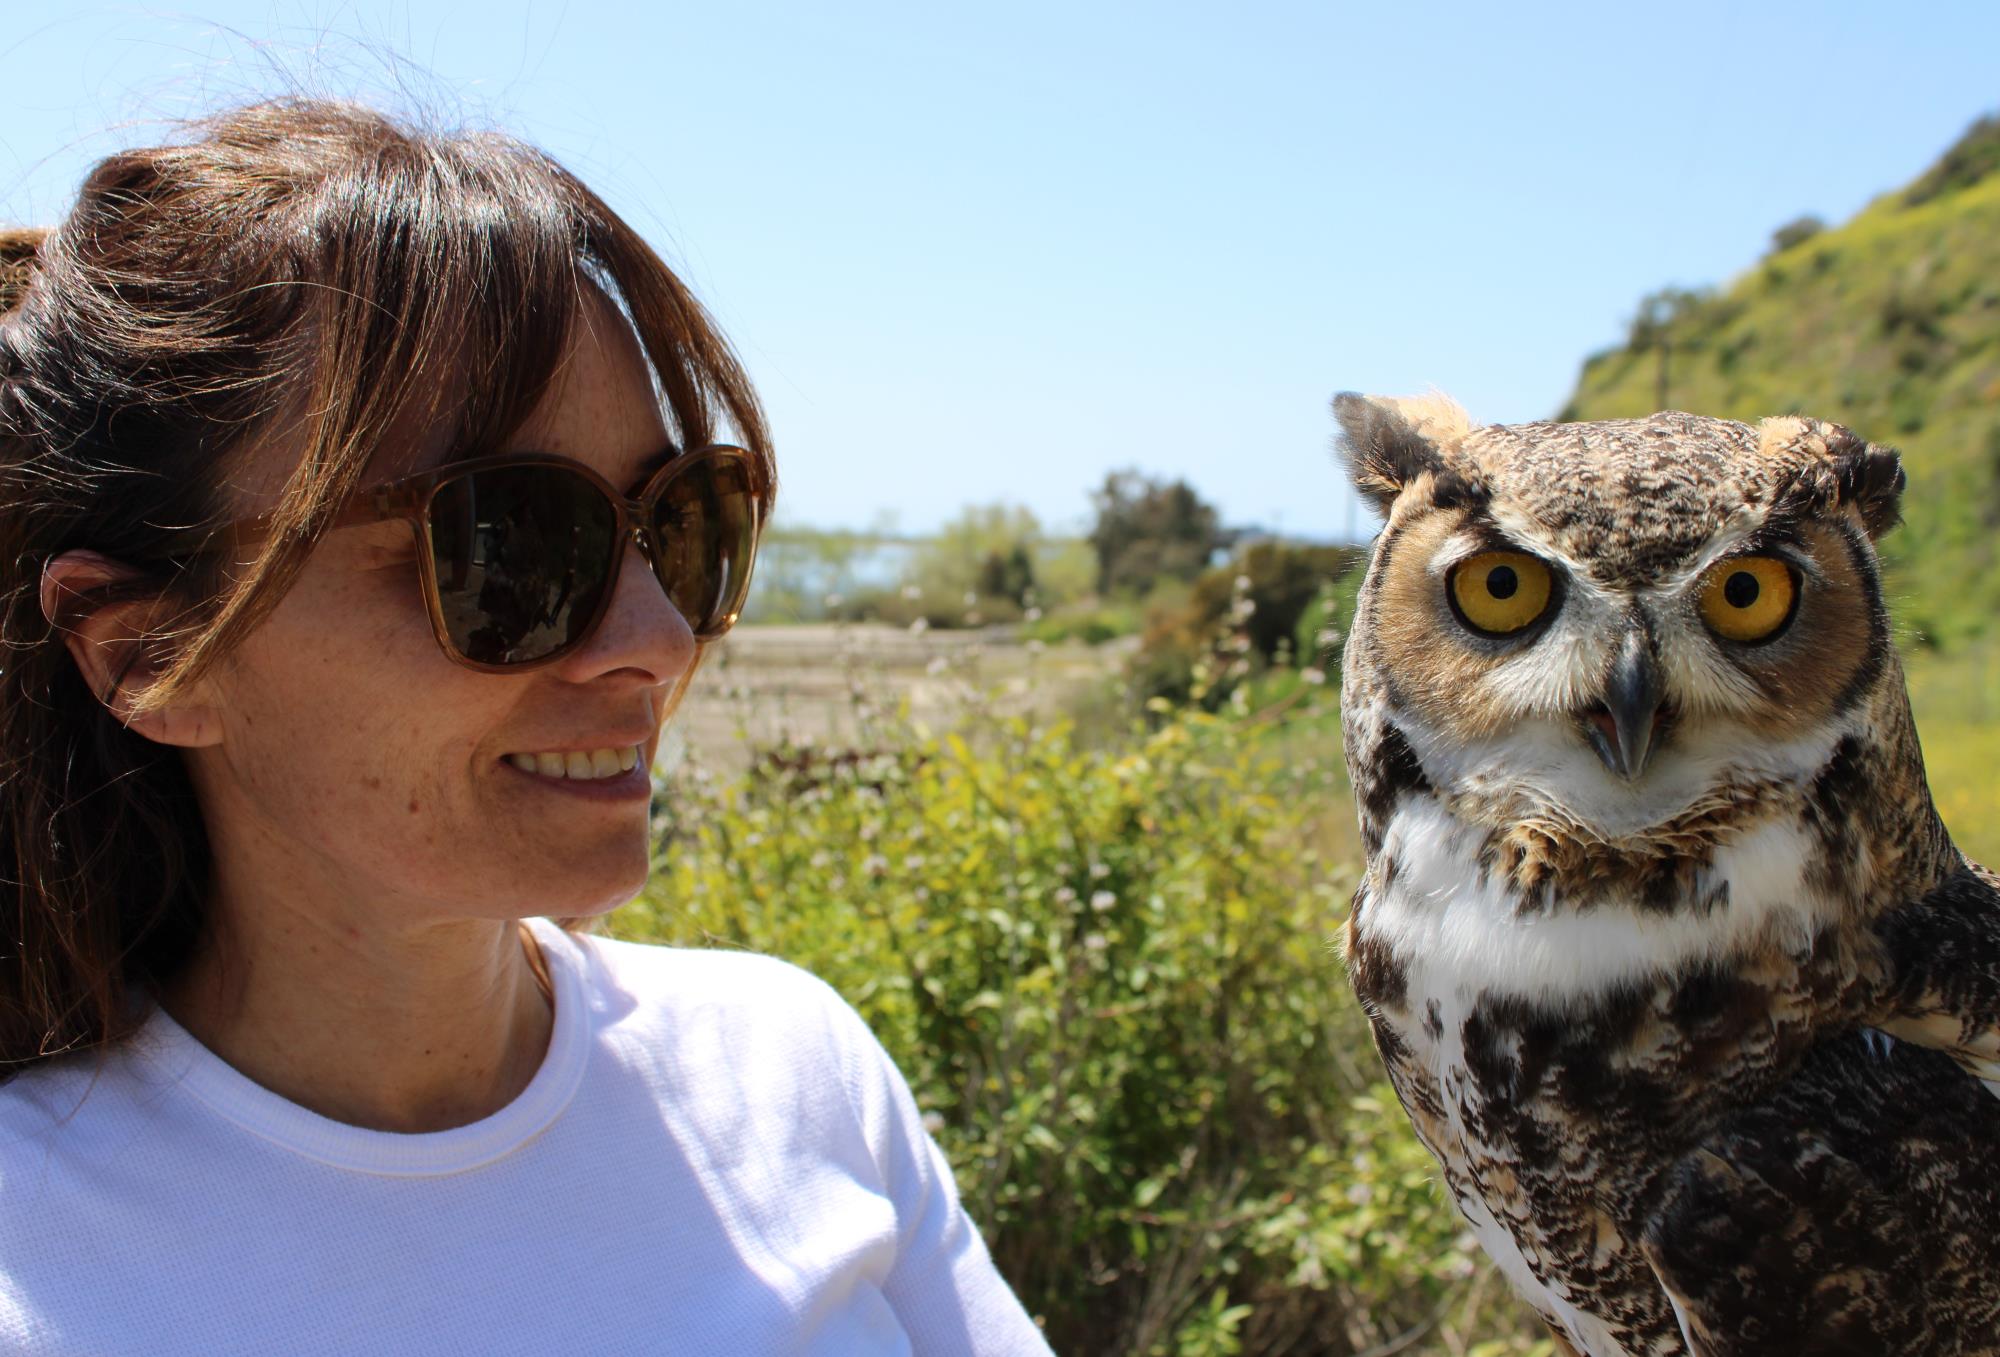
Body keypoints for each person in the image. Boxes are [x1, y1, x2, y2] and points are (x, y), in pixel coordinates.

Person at [0, 99, 1054, 1355]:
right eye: (503, 542)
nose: (659, 640)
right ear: (149, 654)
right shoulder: (41, 1254)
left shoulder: (790, 1072)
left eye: (682, 520)